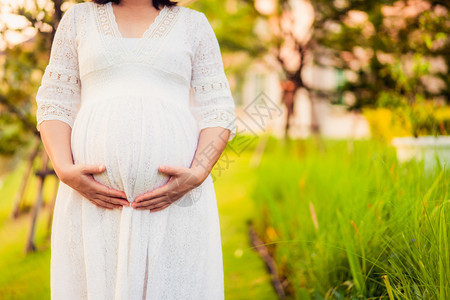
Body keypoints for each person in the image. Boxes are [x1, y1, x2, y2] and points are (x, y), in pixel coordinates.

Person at [35, 0, 236, 298]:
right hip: (92, 205)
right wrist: (64, 169)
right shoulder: (79, 18)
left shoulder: (194, 25)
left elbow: (218, 110)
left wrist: (198, 172)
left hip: (174, 205)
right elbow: (55, 100)